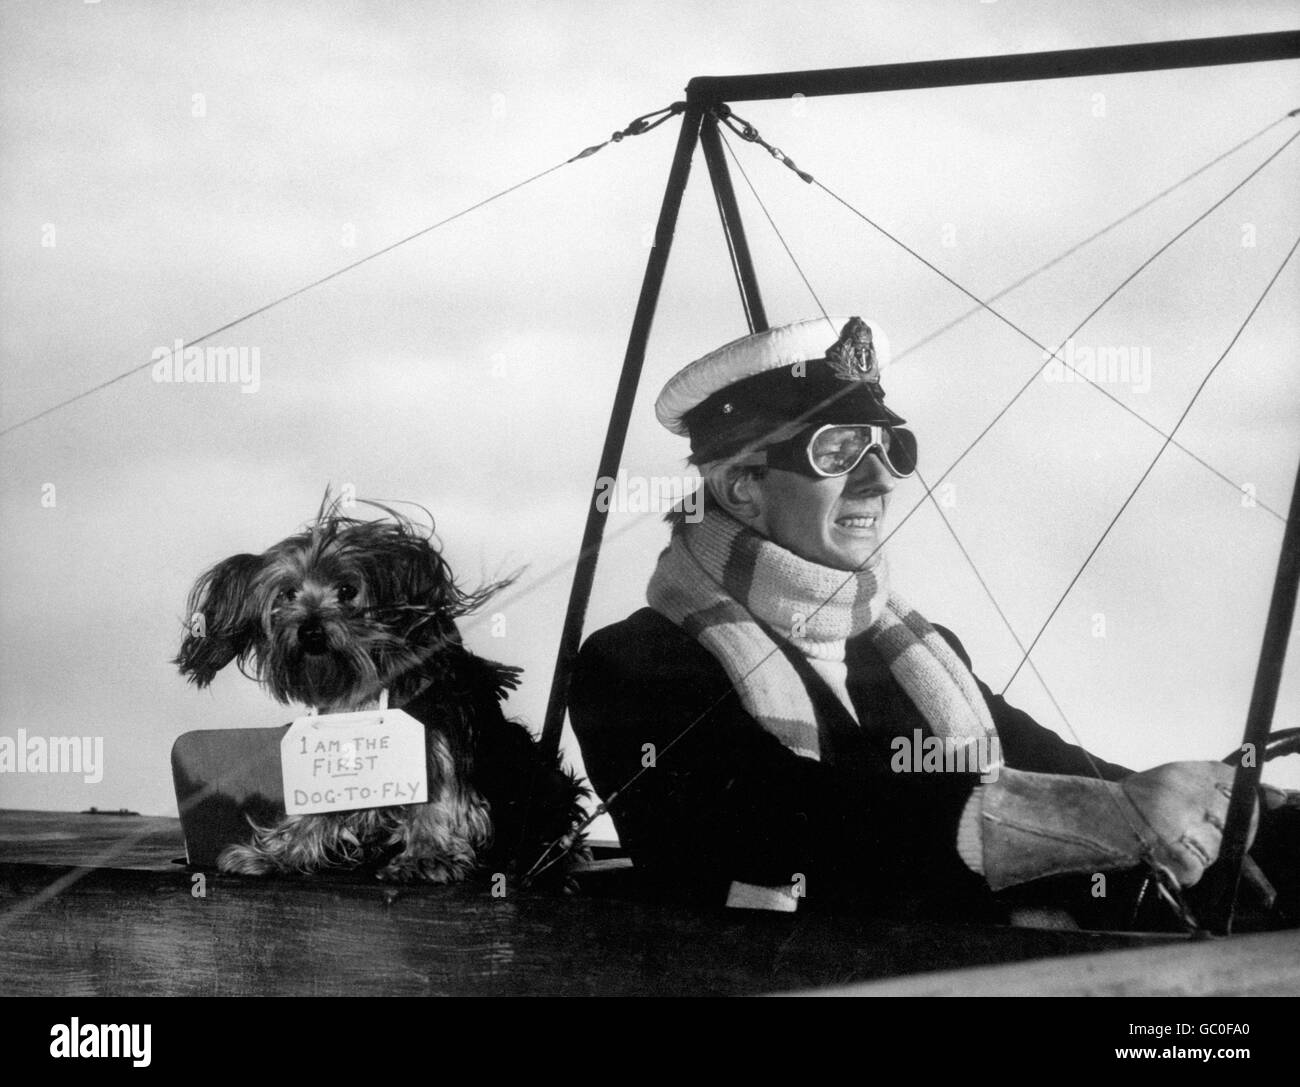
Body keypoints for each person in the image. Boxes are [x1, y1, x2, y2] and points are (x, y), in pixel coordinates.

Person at [569, 315, 1293, 925]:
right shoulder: (631, 665)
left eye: (889, 447)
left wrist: (1232, 808)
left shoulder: (920, 654)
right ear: (740, 486)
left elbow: (1069, 774)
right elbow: (794, 822)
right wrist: (1096, 817)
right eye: (837, 450)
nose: (879, 478)